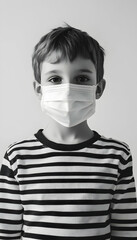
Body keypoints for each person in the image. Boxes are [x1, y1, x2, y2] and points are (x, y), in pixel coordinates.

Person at [0, 24, 137, 240]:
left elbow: (126, 231)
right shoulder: (17, 156)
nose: (67, 89)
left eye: (82, 78)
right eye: (55, 79)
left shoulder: (117, 155)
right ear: (39, 90)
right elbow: (6, 233)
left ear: (98, 88)